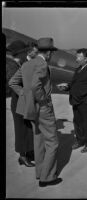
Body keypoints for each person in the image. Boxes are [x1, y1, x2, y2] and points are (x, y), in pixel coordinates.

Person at [9, 38, 62, 187]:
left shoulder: (26, 64)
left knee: (38, 142)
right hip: (43, 108)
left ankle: (40, 173)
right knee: (52, 142)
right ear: (49, 52)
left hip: (31, 109)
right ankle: (47, 177)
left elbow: (12, 82)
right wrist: (41, 99)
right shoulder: (42, 64)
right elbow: (35, 85)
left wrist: (26, 96)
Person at [57, 48, 87, 153]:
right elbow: (73, 83)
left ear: (85, 58)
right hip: (75, 101)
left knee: (86, 123)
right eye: (77, 56)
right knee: (77, 122)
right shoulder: (78, 69)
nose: (76, 58)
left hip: (85, 102)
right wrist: (66, 86)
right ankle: (80, 140)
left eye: (78, 56)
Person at [6, 40, 35, 166]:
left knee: (27, 128)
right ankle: (22, 156)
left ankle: (28, 152)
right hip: (19, 101)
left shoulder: (21, 62)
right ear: (20, 52)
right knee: (21, 130)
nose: (27, 53)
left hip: (23, 101)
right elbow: (13, 85)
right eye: (25, 51)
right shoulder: (11, 65)